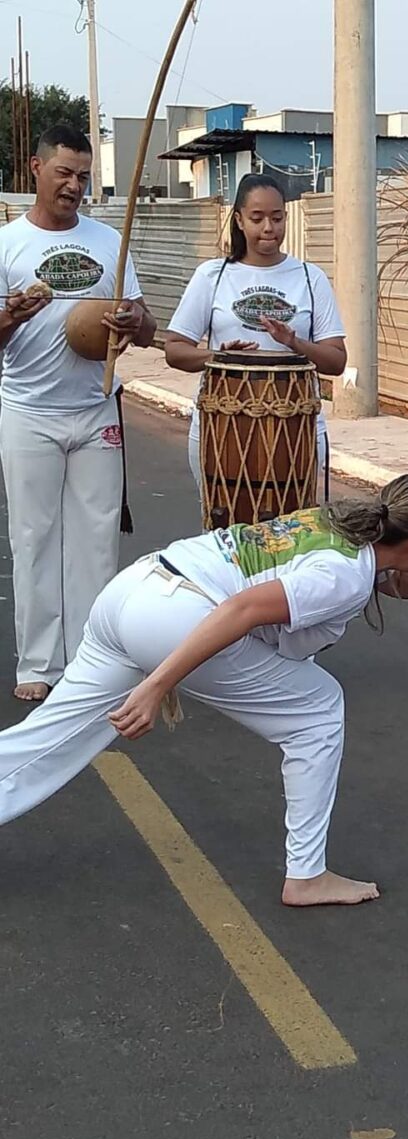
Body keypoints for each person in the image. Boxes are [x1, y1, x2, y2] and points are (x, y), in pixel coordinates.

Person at [0, 475, 408, 907]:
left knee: (44, 738)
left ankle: (308, 873)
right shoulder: (343, 576)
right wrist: (157, 685)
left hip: (135, 590)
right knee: (317, 711)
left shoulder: (344, 524)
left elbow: (389, 582)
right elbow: (243, 611)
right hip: (177, 617)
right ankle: (307, 876)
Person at [0, 125, 157, 704]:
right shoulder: (6, 245)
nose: (74, 185)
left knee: (95, 541)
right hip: (28, 412)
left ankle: (91, 662)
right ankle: (37, 664)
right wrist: (13, 315)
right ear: (36, 170)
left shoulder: (108, 242)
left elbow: (146, 324)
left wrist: (130, 323)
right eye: (64, 172)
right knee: (34, 537)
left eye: (84, 176)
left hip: (97, 410)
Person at [164, 173, 345, 502]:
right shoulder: (212, 276)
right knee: (225, 533)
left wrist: (295, 343)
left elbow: (336, 361)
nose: (268, 229)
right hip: (222, 424)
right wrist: (219, 356)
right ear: (239, 220)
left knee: (292, 532)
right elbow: (174, 350)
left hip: (297, 427)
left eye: (277, 218)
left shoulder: (310, 277)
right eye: (257, 218)